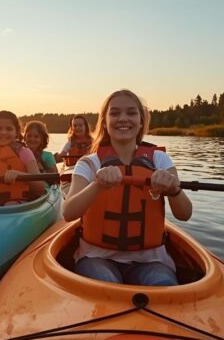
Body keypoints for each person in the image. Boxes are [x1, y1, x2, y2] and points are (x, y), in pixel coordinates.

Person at [63, 90, 192, 286]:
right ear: (104, 122)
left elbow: (184, 214)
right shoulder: (88, 163)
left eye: (131, 113)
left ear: (141, 121)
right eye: (114, 113)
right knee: (106, 284)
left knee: (162, 283)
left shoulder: (160, 160)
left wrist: (174, 189)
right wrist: (97, 185)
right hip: (96, 258)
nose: (123, 118)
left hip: (151, 261)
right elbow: (68, 213)